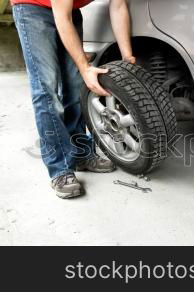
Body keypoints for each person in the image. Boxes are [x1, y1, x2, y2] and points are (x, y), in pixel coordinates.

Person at [11, 0, 136, 199]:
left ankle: (80, 153)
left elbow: (119, 6)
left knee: (76, 86)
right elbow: (62, 17)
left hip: (70, 10)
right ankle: (60, 168)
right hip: (31, 9)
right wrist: (84, 67)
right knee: (47, 89)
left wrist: (128, 57)